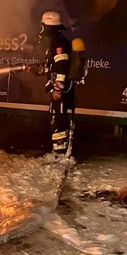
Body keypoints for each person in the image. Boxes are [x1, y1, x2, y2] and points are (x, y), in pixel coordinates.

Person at [31, 11, 75, 158]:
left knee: (58, 120)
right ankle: (58, 151)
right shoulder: (53, 43)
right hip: (57, 89)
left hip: (61, 90)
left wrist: (57, 88)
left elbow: (62, 65)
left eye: (43, 26)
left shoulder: (59, 43)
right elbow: (51, 67)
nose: (41, 29)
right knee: (55, 118)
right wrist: (33, 69)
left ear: (48, 26)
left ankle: (60, 153)